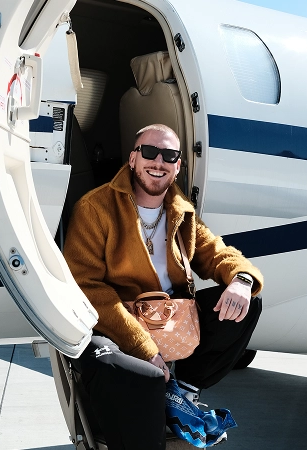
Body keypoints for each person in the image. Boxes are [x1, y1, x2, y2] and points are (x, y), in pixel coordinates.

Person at [64, 124, 263, 449]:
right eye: (149, 152)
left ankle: (182, 391)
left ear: (178, 165)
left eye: (169, 156)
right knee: (132, 374)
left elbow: (217, 253)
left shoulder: (180, 211)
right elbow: (85, 287)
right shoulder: (95, 208)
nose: (158, 162)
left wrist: (241, 279)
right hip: (116, 325)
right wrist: (143, 348)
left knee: (247, 302)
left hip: (167, 319)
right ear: (133, 158)